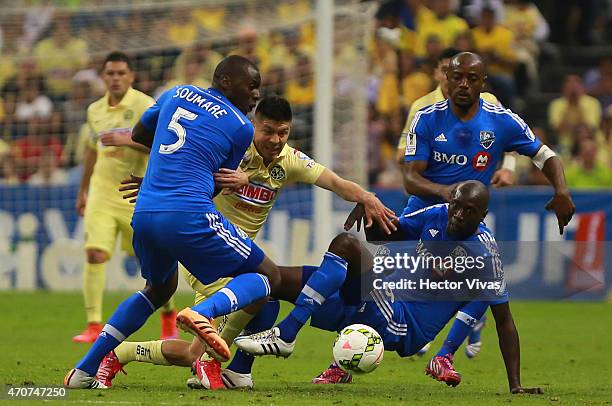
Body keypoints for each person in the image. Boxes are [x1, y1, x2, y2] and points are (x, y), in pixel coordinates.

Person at [64, 55, 396, 389]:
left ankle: (105, 361)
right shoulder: (237, 131)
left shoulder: (286, 157)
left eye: (283, 133)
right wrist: (211, 180)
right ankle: (207, 346)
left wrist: (366, 196)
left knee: (183, 300)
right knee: (267, 279)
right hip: (203, 241)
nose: (275, 139)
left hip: (165, 217)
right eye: (267, 130)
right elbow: (204, 183)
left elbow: (336, 182)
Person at [235, 181, 543, 394]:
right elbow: (386, 234)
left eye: (468, 211)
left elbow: (504, 321)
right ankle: (238, 372)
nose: (458, 214)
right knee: (272, 279)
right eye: (455, 206)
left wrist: (515, 384)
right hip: (377, 302)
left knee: (346, 246)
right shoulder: (437, 215)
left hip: (402, 324)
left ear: (483, 216)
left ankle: (287, 333)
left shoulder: (485, 256)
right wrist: (369, 214)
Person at [400, 51, 575, 381]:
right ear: (446, 80)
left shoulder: (501, 120)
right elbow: (410, 178)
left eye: (471, 78)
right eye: (457, 77)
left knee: (491, 287)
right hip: (422, 215)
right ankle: (343, 360)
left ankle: (446, 356)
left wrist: (562, 190)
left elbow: (545, 155)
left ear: (484, 83)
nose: (463, 84)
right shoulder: (425, 117)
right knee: (377, 287)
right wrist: (445, 193)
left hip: (465, 226)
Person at [72, 51, 178, 344]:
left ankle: (168, 315)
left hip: (136, 195)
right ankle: (93, 324)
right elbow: (92, 150)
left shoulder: (145, 105)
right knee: (95, 253)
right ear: (103, 77)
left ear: (131, 76)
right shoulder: (94, 110)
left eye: (121, 73)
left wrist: (126, 139)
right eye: (110, 73)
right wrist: (83, 191)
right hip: (102, 193)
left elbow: (163, 147)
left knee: (152, 266)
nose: (116, 78)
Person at [395, 47, 516, 189]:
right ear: (436, 74)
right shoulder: (422, 109)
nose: (451, 77)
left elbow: (512, 137)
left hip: (475, 189)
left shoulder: (489, 102)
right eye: (445, 70)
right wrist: (430, 144)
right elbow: (401, 156)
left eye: (460, 73)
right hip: (434, 189)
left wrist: (508, 168)